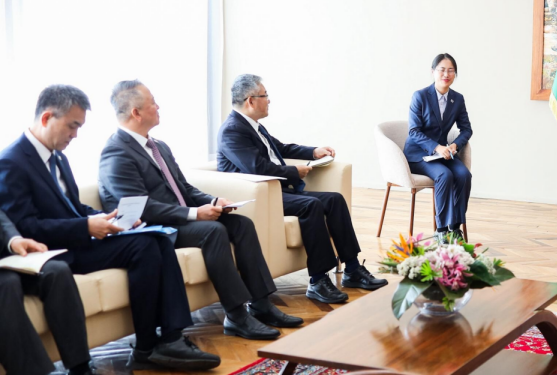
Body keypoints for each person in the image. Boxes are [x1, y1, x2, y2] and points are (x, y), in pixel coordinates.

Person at [0, 85, 220, 371]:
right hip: (52, 252)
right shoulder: (12, 162)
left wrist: (108, 218)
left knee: (153, 240)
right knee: (146, 245)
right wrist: (85, 227)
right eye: (72, 126)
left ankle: (163, 341)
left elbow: (74, 208)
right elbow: (25, 227)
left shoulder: (58, 157)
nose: (75, 135)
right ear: (46, 118)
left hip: (76, 240)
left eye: (79, 127)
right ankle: (150, 346)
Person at [98, 80, 302, 341]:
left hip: (178, 219)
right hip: (153, 228)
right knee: (212, 231)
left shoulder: (158, 146)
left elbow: (183, 187)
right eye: (153, 103)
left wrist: (213, 201)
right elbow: (140, 207)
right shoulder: (116, 152)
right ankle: (236, 315)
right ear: (136, 113)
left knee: (241, 224)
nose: (158, 107)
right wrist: (195, 214)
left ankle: (261, 303)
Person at [217, 74, 387, 305]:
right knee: (311, 205)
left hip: (275, 191)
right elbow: (257, 168)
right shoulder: (232, 130)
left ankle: (353, 269)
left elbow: (280, 148)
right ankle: (318, 281)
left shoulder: (252, 126)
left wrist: (313, 152)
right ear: (251, 100)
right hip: (259, 196)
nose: (269, 100)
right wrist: (294, 172)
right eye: (265, 95)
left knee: (335, 200)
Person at [0, 209, 94, 375]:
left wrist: (14, 240)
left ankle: (81, 367)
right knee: (8, 283)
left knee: (57, 271)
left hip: (5, 258)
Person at [403, 53, 473, 243]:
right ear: (433, 71)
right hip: (418, 154)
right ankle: (441, 229)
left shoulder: (457, 99)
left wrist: (455, 145)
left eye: (451, 70)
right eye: (442, 70)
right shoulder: (420, 96)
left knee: (464, 175)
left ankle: (455, 227)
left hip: (443, 154)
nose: (446, 74)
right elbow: (413, 131)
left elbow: (467, 129)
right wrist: (436, 147)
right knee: (444, 175)